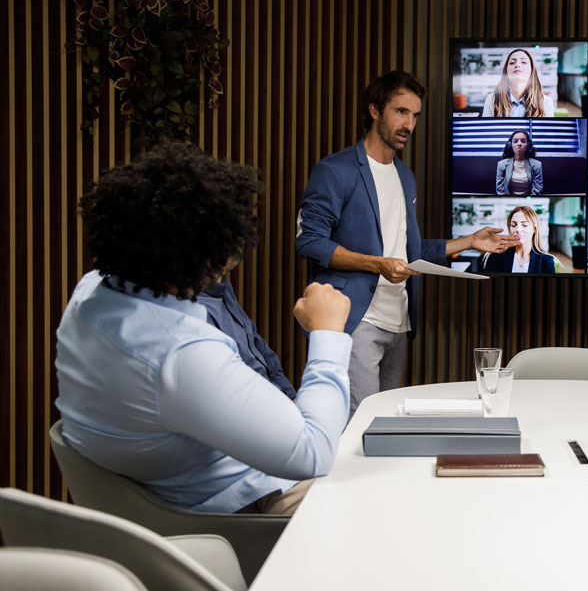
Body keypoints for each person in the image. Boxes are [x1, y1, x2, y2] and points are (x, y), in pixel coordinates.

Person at [55, 140, 352, 515]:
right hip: (239, 512)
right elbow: (313, 454)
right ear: (205, 253)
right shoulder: (180, 352)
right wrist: (328, 333)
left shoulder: (90, 293)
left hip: (163, 495)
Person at [296, 70, 513, 417]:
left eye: (415, 116)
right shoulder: (335, 170)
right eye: (401, 112)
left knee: (383, 428)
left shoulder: (405, 175)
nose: (409, 124)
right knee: (360, 426)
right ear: (374, 110)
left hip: (399, 322)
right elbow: (309, 242)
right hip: (357, 321)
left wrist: (469, 242)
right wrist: (376, 264)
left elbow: (408, 252)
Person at [197, 276, 295, 398]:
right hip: (249, 403)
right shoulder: (198, 310)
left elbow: (259, 346)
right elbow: (233, 385)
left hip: (271, 397)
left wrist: (289, 396)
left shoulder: (223, 285)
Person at [480, 205, 557, 273]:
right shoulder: (497, 256)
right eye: (513, 225)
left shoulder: (546, 261)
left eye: (524, 225)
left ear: (534, 229)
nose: (518, 229)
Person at [481, 48, 555, 117]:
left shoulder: (546, 102)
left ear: (531, 71)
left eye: (523, 62)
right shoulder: (491, 99)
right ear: (506, 71)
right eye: (512, 62)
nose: (517, 65)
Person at [495, 130, 544, 196]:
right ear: (510, 145)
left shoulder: (537, 165)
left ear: (528, 145)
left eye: (523, 141)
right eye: (515, 141)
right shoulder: (501, 165)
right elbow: (500, 190)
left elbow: (537, 190)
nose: (519, 144)